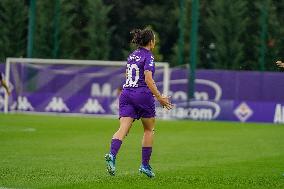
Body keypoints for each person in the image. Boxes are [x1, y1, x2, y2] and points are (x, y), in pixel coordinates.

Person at [105, 28, 173, 178]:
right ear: (150, 41)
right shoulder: (149, 56)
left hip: (126, 93)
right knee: (149, 130)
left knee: (123, 128)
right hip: (142, 95)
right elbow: (148, 79)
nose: (155, 41)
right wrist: (160, 97)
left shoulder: (132, 55)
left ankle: (112, 155)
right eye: (154, 39)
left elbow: (127, 74)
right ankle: (144, 165)